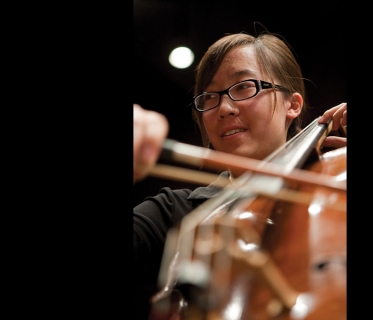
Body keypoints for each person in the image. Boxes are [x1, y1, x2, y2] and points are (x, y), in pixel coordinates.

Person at [133, 29, 347, 320]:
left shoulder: (332, 189)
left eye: (244, 87)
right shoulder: (174, 212)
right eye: (209, 96)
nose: (224, 108)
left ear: (292, 104)